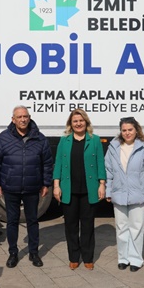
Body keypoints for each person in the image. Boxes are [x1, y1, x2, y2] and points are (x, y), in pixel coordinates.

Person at [0, 106, 53, 268]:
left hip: (32, 188)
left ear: (29, 118)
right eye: (19, 117)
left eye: (25, 116)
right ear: (13, 120)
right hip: (11, 188)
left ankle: (34, 253)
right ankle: (13, 253)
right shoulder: (3, 138)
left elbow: (47, 163)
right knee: (12, 221)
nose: (23, 120)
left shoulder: (40, 138)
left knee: (33, 221)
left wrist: (46, 183)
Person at [53, 109, 106, 271]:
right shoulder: (64, 141)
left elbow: (100, 163)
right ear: (71, 124)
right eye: (75, 121)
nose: (78, 123)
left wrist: (102, 184)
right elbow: (58, 163)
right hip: (69, 189)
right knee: (71, 225)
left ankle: (88, 257)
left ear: (86, 122)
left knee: (88, 225)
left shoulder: (94, 140)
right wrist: (56, 185)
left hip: (89, 190)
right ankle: (74, 257)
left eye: (81, 120)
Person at [105, 117, 144, 272]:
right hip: (119, 195)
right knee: (121, 227)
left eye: (130, 130)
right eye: (124, 130)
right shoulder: (113, 148)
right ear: (120, 132)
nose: (127, 133)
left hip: (138, 195)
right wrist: (108, 191)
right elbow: (108, 171)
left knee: (136, 227)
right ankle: (123, 258)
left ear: (136, 130)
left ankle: (135, 259)